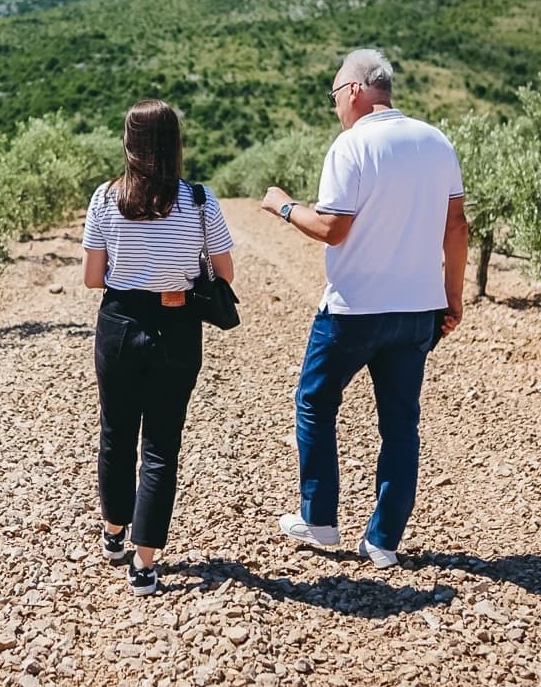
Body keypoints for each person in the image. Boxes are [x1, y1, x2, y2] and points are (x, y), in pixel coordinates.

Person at [261, 49, 468, 568]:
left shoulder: (351, 145)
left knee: (314, 403)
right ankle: (383, 541)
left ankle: (320, 519)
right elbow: (457, 227)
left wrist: (283, 206)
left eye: (334, 96)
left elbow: (333, 227)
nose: (334, 107)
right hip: (419, 308)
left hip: (354, 310)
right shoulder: (436, 141)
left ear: (354, 91)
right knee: (400, 424)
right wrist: (453, 295)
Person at [82, 99, 235, 595]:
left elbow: (91, 278)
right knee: (162, 445)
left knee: (116, 432)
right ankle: (145, 564)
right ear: (174, 143)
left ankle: (113, 534)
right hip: (177, 327)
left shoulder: (104, 199)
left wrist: (133, 270)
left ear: (129, 144)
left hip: (120, 322)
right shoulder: (199, 200)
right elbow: (225, 273)